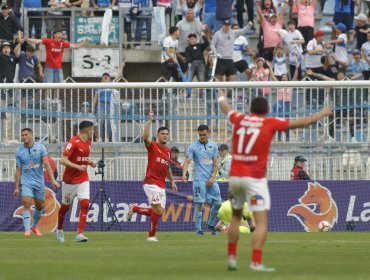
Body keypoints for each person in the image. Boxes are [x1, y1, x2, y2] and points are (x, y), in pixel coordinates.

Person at [217, 90, 332, 271]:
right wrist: (321, 113)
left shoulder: (240, 118)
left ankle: (231, 258)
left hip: (237, 179)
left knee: (236, 217)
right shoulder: (269, 122)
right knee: (261, 222)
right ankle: (255, 262)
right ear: (267, 109)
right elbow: (301, 123)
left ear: (250, 108)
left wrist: (221, 96)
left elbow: (225, 107)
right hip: (255, 182)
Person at [127, 112, 178, 241]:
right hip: (151, 183)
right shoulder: (153, 146)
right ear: (157, 136)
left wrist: (172, 181)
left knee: (159, 211)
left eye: (167, 134)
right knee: (157, 209)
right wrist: (150, 120)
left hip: (161, 184)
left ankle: (135, 208)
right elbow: (145, 136)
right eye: (162, 134)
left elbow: (167, 167)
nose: (165, 135)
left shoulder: (168, 151)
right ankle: (151, 236)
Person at [14, 128, 60, 236]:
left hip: (39, 182)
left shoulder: (40, 148)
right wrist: (16, 187)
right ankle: (27, 230)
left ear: (31, 135)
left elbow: (46, 163)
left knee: (39, 206)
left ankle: (34, 227)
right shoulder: (19, 151)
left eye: (26, 134)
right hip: (26, 182)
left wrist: (53, 180)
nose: (24, 137)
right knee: (26, 203)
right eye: (22, 135)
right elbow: (18, 170)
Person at [56, 121, 97, 243]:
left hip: (83, 179)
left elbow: (83, 158)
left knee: (85, 204)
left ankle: (80, 234)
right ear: (88, 130)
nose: (93, 132)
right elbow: (63, 160)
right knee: (65, 207)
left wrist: (90, 162)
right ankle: (59, 229)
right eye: (92, 130)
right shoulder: (73, 142)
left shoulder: (89, 143)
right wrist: (78, 167)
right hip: (69, 181)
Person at [182, 124, 222, 235]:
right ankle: (199, 229)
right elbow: (187, 160)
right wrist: (184, 173)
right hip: (199, 179)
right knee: (199, 203)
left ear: (208, 133)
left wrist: (213, 177)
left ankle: (210, 223)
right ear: (198, 134)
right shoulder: (193, 146)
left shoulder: (213, 145)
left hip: (212, 178)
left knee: (218, 203)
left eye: (204, 135)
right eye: (200, 135)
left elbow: (216, 162)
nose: (202, 137)